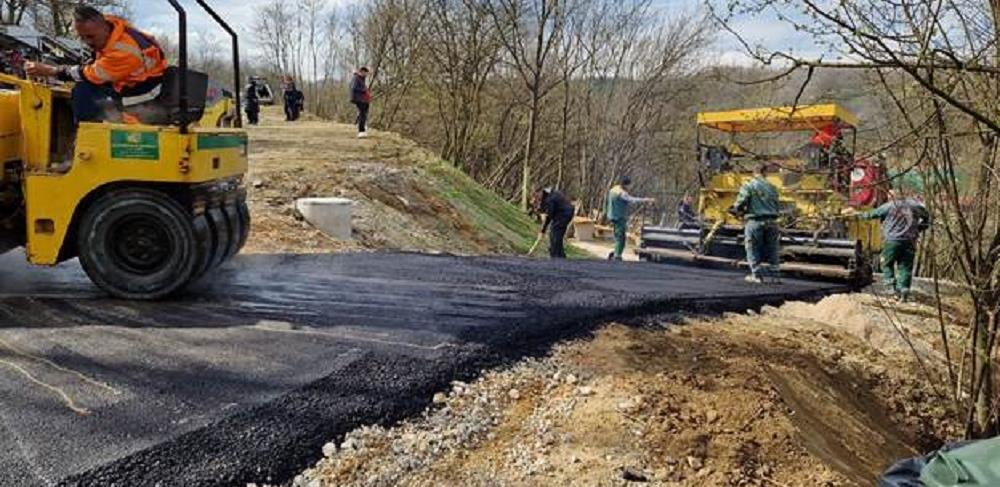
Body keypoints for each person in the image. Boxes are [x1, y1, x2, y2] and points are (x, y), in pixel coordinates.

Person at [25, 6, 167, 125]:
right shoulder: (113, 26)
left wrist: (51, 70)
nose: (87, 42)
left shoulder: (123, 52)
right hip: (133, 81)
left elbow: (86, 74)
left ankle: (88, 135)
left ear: (104, 28)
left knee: (83, 91)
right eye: (82, 37)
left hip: (143, 96)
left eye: (90, 37)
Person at [844, 188, 930, 302]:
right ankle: (904, 293)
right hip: (910, 242)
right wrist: (919, 228)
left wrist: (855, 214)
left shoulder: (889, 206)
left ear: (893, 196)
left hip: (892, 241)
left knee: (886, 263)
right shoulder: (915, 206)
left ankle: (891, 289)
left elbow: (871, 214)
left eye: (889, 196)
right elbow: (927, 217)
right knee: (905, 267)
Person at [730, 163, 781, 283]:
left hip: (755, 221)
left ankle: (756, 275)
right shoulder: (772, 187)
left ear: (754, 172)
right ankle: (775, 275)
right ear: (765, 173)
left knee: (752, 247)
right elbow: (777, 205)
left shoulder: (749, 185)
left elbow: (740, 203)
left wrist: (735, 210)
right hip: (772, 222)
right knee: (772, 248)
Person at [605, 176, 655, 261]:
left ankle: (617, 253)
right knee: (620, 237)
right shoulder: (622, 193)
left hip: (612, 215)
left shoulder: (614, 189)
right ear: (626, 185)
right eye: (629, 185)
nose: (629, 187)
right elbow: (632, 199)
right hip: (619, 217)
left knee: (618, 236)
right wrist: (646, 200)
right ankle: (617, 255)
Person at [534, 188, 575, 259]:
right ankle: (560, 255)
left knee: (554, 232)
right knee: (557, 234)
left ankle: (555, 255)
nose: (538, 198)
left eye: (537, 196)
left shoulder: (550, 199)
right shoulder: (548, 195)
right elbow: (548, 212)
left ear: (540, 192)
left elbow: (549, 216)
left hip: (564, 213)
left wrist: (542, 230)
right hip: (564, 213)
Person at [349, 67, 371, 138]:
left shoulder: (362, 79)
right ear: (362, 72)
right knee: (362, 114)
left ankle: (362, 127)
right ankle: (361, 131)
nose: (366, 74)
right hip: (359, 99)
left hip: (364, 99)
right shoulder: (356, 78)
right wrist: (364, 90)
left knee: (363, 113)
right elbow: (354, 87)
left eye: (367, 73)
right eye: (365, 72)